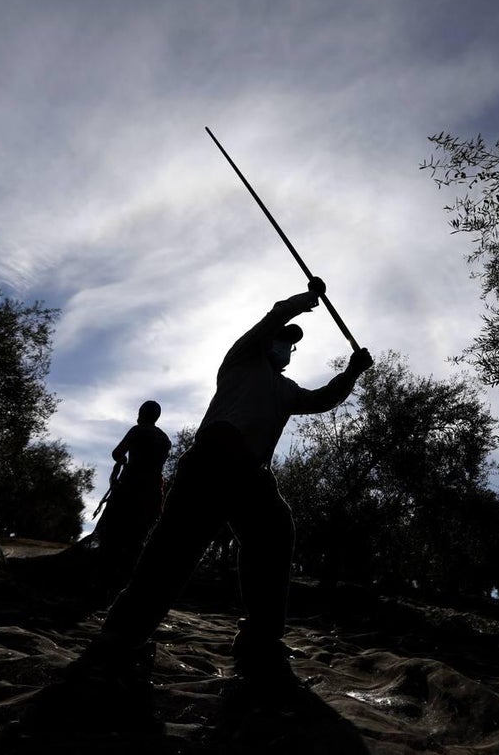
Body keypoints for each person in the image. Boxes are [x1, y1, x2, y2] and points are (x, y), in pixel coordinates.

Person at [78, 277, 372, 683]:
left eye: (290, 343)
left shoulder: (286, 390)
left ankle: (260, 637)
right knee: (173, 550)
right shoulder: (240, 360)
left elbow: (322, 400)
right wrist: (307, 300)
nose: (284, 344)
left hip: (252, 477)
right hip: (209, 466)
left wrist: (352, 372)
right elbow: (272, 318)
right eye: (282, 338)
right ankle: (122, 633)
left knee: (274, 534)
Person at [92, 400, 171, 590]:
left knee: (112, 532)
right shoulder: (165, 439)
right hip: (152, 493)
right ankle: (126, 581)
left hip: (130, 488)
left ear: (141, 413)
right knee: (136, 537)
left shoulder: (138, 430)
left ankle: (103, 578)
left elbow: (117, 452)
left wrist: (122, 460)